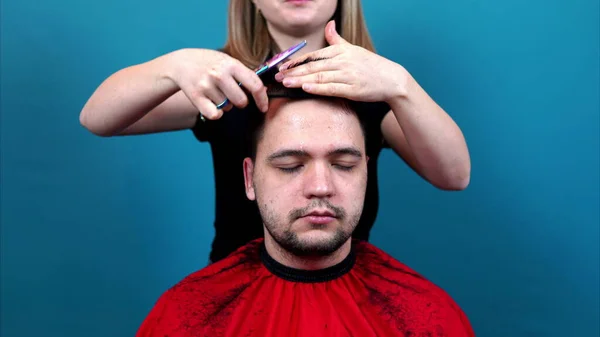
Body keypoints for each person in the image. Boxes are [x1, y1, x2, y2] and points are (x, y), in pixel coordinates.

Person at [79, 0, 471, 263]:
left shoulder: (373, 87)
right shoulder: (225, 83)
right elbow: (97, 119)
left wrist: (400, 84)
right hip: (237, 288)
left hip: (344, 284)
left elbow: (454, 175)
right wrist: (173, 66)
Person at [134, 86, 475, 337]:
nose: (321, 186)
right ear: (249, 179)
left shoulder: (425, 317)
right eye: (291, 165)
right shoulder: (188, 317)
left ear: (366, 173)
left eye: (343, 165)